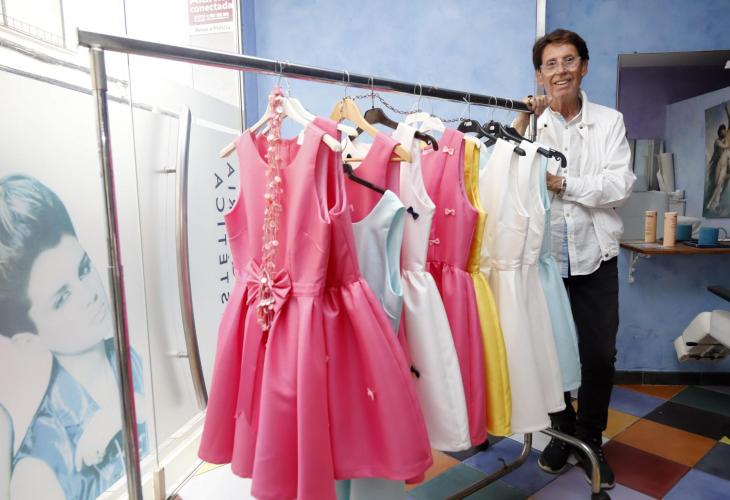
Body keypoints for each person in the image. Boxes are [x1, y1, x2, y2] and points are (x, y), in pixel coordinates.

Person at [512, 29, 635, 489]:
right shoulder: (532, 122)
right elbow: (501, 166)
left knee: (599, 354)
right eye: (550, 63)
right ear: (539, 75)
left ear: (583, 67)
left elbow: (618, 187)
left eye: (568, 61)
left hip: (594, 256)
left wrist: (563, 184)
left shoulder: (609, 122)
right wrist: (522, 118)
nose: (560, 70)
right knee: (549, 351)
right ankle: (562, 430)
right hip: (543, 259)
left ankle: (591, 437)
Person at [0, 174, 147, 499]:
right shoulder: (39, 469)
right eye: (62, 298)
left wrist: (135, 409)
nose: (89, 294)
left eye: (83, 269)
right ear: (29, 340)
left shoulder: (131, 359)